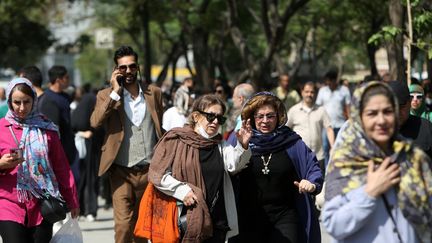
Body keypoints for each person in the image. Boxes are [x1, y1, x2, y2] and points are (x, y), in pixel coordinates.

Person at [322, 81, 432, 243]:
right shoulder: (347, 162)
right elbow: (334, 225)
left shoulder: (412, 157)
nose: (381, 120)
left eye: (388, 111)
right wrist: (369, 193)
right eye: (372, 113)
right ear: (359, 116)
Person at [146, 94, 252, 242]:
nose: (215, 122)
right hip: (184, 218)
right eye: (210, 116)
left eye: (220, 119)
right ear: (196, 116)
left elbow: (234, 166)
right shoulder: (176, 139)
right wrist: (183, 191)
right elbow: (158, 174)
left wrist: (243, 145)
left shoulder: (219, 143)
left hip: (217, 220)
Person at [90, 45, 164, 243]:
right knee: (123, 226)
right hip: (121, 171)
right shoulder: (106, 95)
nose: (128, 71)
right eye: (123, 68)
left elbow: (160, 128)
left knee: (142, 228)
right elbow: (95, 122)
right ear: (116, 70)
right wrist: (115, 92)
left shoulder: (154, 93)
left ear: (138, 67)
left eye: (132, 66)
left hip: (149, 170)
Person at [236, 92, 323, 243]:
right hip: (249, 216)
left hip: (285, 215)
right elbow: (227, 169)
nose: (265, 121)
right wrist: (242, 147)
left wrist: (311, 183)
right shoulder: (241, 140)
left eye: (270, 116)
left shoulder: (292, 142)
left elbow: (313, 168)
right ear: (251, 118)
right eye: (260, 116)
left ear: (278, 117)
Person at [0, 78, 79, 243]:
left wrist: (72, 200)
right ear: (9, 101)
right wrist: (2, 164)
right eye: (16, 102)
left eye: (26, 102)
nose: (22, 108)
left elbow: (61, 166)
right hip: (9, 203)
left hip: (42, 205)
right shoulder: (1, 129)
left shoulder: (46, 129)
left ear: (34, 100)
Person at [287, 81, 334, 175]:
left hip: (318, 156)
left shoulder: (321, 110)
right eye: (307, 91)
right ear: (302, 92)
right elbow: (286, 130)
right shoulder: (293, 111)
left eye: (312, 92)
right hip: (299, 156)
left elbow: (329, 129)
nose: (309, 94)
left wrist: (333, 147)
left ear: (315, 94)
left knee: (317, 186)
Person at [388, 80, 432, 159]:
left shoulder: (426, 127)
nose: (397, 111)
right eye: (393, 107)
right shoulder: (379, 132)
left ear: (409, 103)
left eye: (401, 106)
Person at [44, 66, 77, 169]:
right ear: (58, 80)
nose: (69, 80)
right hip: (56, 146)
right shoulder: (46, 98)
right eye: (66, 77)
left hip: (69, 145)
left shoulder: (66, 97)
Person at [316, 70, 351, 166]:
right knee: (326, 149)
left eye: (330, 81)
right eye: (327, 81)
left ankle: (342, 169)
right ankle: (328, 172)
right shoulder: (322, 91)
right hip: (326, 127)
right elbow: (318, 108)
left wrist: (350, 122)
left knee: (341, 149)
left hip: (341, 126)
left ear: (335, 80)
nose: (328, 83)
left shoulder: (344, 90)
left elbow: (348, 108)